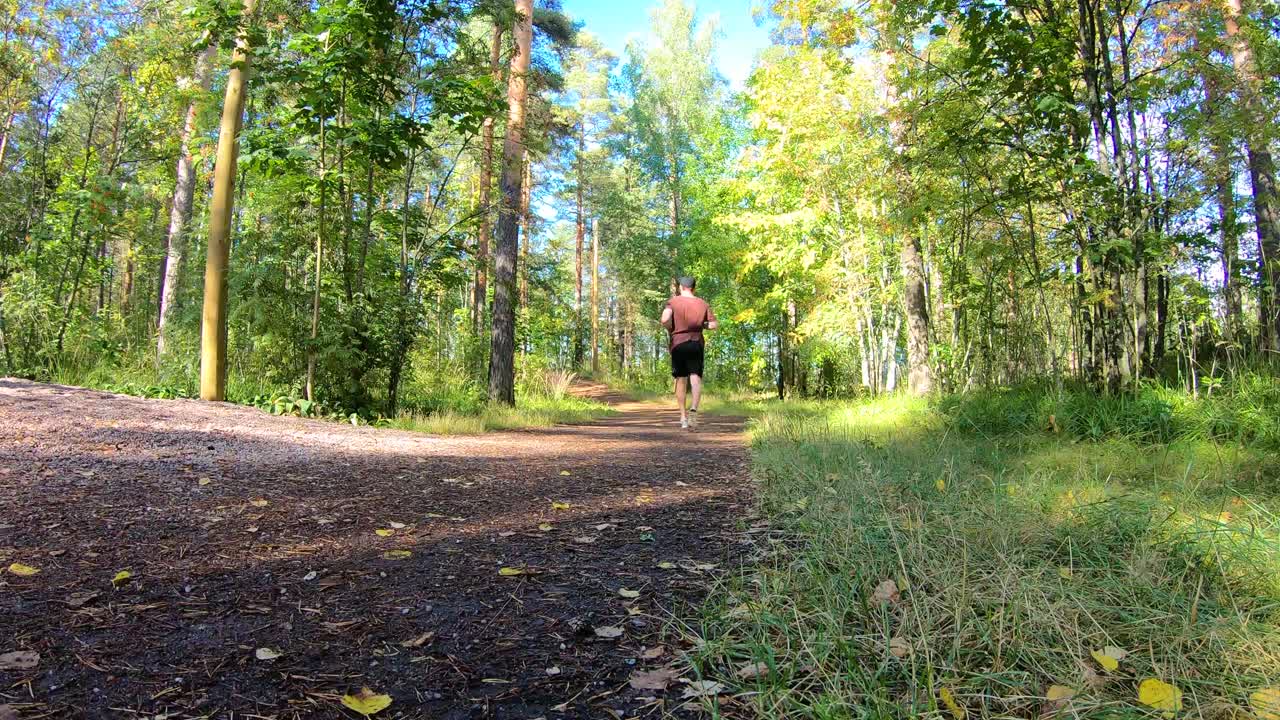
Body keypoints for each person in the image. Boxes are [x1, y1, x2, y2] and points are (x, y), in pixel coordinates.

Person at [660, 276, 717, 429]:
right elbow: (713, 324)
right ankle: (694, 410)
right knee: (695, 377)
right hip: (696, 343)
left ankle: (683, 417)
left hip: (678, 343)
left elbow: (664, 318)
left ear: (681, 287)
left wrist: (670, 327)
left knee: (681, 379)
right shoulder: (702, 303)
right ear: (694, 288)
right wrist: (701, 324)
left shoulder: (673, 302)